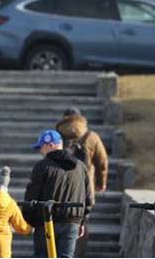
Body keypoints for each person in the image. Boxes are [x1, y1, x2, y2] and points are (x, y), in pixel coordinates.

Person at [23, 130, 93, 258]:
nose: (40, 151)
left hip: (45, 221)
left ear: (50, 145)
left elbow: (32, 195)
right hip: (72, 221)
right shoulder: (81, 167)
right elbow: (89, 197)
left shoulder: (42, 166)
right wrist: (82, 221)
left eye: (41, 147)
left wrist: (28, 220)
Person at [55, 107, 109, 257]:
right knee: (82, 222)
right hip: (85, 188)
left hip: (61, 187)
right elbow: (102, 161)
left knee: (61, 222)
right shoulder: (91, 136)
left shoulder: (57, 135)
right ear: (80, 118)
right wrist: (101, 181)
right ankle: (78, 254)